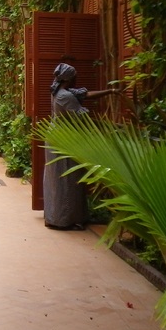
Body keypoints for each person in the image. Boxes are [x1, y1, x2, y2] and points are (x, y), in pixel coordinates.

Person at [44, 62, 118, 230]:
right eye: (75, 76)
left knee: (60, 179)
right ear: (69, 78)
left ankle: (56, 216)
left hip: (59, 137)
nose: (78, 78)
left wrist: (111, 91)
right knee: (67, 180)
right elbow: (83, 117)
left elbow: (86, 95)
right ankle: (64, 219)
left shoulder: (60, 91)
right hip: (63, 140)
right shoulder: (65, 96)